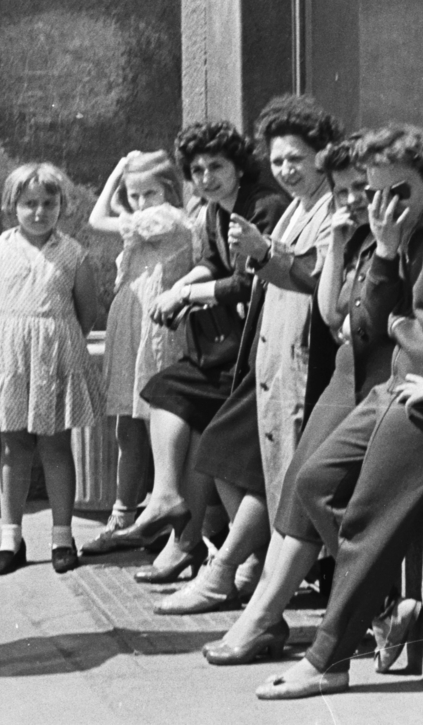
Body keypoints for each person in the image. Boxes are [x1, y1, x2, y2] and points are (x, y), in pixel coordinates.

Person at [256, 125, 423, 700]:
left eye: (399, 189)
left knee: (368, 517)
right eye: (373, 193)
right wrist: (387, 250)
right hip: (401, 385)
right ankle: (384, 601)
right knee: (316, 483)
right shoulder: (406, 233)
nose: (384, 205)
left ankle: (329, 658)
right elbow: (365, 321)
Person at [205, 132, 399, 664]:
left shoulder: (396, 235)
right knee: (299, 482)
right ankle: (268, 614)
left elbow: (364, 319)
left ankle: (267, 615)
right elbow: (333, 312)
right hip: (349, 371)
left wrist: (377, 244)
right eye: (343, 192)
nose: (355, 200)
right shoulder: (357, 235)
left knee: (312, 481)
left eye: (362, 187)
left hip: (380, 378)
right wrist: (338, 240)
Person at [156, 95, 341, 615]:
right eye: (279, 160)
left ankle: (231, 573)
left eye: (296, 160)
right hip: (264, 362)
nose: (286, 170)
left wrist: (262, 254)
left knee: (263, 468)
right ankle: (253, 566)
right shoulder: (291, 209)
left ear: (322, 157)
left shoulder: (321, 209)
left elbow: (312, 276)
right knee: (224, 453)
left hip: (304, 363)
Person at [96, 121, 289, 581]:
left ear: (239, 166)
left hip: (264, 343)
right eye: (197, 169)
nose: (206, 177)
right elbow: (215, 262)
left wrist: (186, 297)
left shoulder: (263, 206)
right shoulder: (213, 211)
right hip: (232, 342)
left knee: (208, 431)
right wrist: (184, 284)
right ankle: (167, 500)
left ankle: (203, 546)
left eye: (216, 166)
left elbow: (252, 277)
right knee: (164, 390)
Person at [0, 162, 106, 576]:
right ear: (12, 206)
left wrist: (51, 338)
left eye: (48, 203)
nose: (39, 212)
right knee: (13, 446)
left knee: (56, 446)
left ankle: (61, 536)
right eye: (29, 204)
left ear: (61, 206)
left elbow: (86, 312)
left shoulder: (73, 253)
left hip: (55, 355)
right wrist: (14, 336)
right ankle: (10, 539)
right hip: (10, 355)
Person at [82, 150, 195, 547]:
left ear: (169, 189)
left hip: (155, 327)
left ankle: (163, 516)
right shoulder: (143, 220)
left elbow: (97, 218)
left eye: (151, 192)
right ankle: (125, 513)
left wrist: (116, 172)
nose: (142, 202)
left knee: (154, 424)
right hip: (129, 325)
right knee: (127, 424)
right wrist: (123, 183)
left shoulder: (168, 219)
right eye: (136, 195)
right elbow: (116, 211)